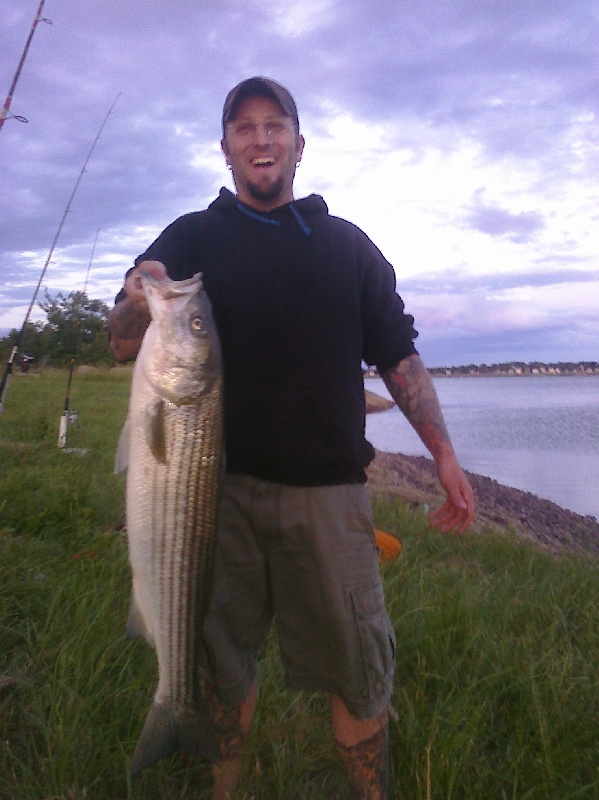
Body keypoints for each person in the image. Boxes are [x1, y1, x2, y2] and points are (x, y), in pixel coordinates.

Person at [108, 76, 475, 800]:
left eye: (274, 125)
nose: (260, 139)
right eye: (243, 128)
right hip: (212, 497)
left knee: (359, 667)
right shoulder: (191, 237)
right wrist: (132, 297)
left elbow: (396, 353)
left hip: (330, 498)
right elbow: (124, 344)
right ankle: (221, 784)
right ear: (225, 149)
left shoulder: (347, 248)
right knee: (217, 663)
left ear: (299, 145)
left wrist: (442, 453)